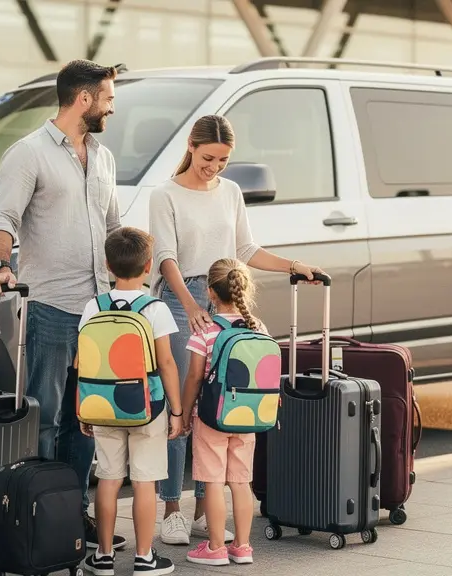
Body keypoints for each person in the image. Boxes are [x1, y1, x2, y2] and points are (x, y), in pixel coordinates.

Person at [147, 114, 326, 545]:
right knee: (180, 404)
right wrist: (191, 307)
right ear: (191, 146)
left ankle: (205, 510)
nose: (214, 167)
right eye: (208, 157)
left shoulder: (230, 192)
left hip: (225, 297)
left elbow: (245, 249)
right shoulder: (164, 195)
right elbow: (166, 257)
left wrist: (295, 266)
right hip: (181, 296)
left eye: (223, 161)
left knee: (218, 403)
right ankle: (171, 508)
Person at [0, 59, 127, 551]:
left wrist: (131, 282)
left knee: (86, 418)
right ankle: (36, 518)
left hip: (97, 314)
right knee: (44, 420)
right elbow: (3, 218)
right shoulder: (28, 154)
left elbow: (112, 231)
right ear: (83, 99)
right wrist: (2, 266)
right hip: (49, 308)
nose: (112, 106)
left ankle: (70, 513)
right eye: (108, 98)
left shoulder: (103, 158)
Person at [78, 227, 183, 576]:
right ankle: (143, 557)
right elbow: (166, 363)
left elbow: (84, 361)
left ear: (107, 265)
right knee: (144, 481)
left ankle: (104, 556)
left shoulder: (94, 305)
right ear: (149, 266)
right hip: (146, 406)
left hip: (103, 404)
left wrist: (83, 405)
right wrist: (177, 410)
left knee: (108, 478)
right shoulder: (155, 308)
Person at [181, 258, 265, 566]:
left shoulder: (205, 331)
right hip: (247, 414)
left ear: (210, 293)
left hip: (211, 415)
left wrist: (184, 413)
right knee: (241, 481)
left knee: (213, 480)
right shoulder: (258, 327)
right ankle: (242, 547)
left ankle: (216, 547)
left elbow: (193, 378)